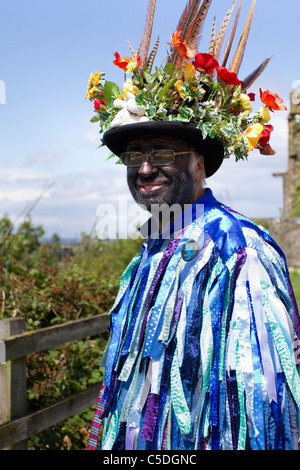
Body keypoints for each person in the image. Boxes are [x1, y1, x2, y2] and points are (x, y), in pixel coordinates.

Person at [85, 0, 300, 450]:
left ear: (200, 164)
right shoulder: (154, 247)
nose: (144, 170)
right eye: (134, 157)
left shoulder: (240, 252)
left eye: (162, 154)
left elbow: (268, 413)